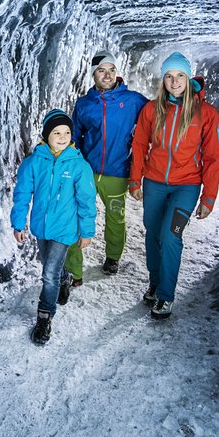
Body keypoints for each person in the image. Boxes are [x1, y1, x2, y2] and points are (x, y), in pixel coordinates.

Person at [128, 52, 219, 320]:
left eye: (179, 75)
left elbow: (215, 156)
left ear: (188, 77)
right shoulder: (152, 109)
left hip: (187, 186)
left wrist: (209, 197)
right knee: (152, 233)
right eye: (169, 76)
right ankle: (155, 283)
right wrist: (135, 179)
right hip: (155, 183)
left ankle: (166, 296)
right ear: (164, 80)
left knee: (172, 235)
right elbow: (139, 145)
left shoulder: (206, 114)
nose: (174, 81)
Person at [63, 50, 148, 299]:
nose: (107, 74)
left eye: (111, 69)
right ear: (93, 74)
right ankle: (74, 271)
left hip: (117, 171)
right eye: (101, 70)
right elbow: (74, 137)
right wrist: (73, 165)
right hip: (87, 172)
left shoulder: (133, 101)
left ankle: (112, 258)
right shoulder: (83, 104)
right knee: (77, 218)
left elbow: (157, 116)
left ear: (117, 72)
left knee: (115, 218)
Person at [11, 109, 97, 344]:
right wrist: (19, 224)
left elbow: (86, 200)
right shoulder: (33, 163)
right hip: (41, 227)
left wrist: (87, 231)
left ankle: (44, 318)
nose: (62, 136)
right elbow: (22, 195)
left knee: (48, 274)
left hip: (65, 229)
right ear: (46, 135)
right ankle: (65, 278)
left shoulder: (79, 166)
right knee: (50, 266)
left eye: (67, 132)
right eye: (56, 132)